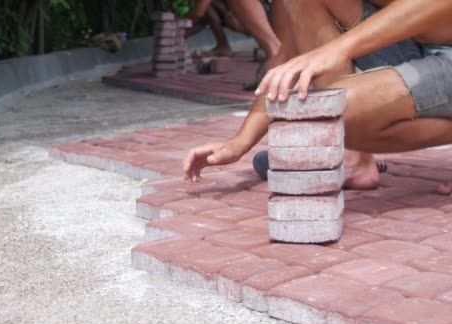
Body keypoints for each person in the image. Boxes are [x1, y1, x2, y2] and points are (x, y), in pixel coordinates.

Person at [183, 0, 452, 196]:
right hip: (419, 43)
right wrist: (241, 141)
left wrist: (339, 49)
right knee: (330, 114)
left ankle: (346, 140)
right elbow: (290, 55)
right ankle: (352, 158)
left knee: (335, 114)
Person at [186, 0, 281, 88]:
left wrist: (179, 30)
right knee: (211, 6)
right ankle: (223, 46)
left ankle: (274, 52)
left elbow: (198, 12)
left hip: (269, 13)